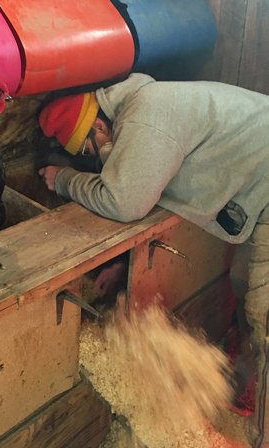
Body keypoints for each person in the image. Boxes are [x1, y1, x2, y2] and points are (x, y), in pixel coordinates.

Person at [38, 72, 269, 447]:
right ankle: (249, 383)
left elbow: (124, 201)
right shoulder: (146, 105)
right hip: (262, 193)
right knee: (245, 290)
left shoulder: (145, 114)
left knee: (266, 316)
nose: (92, 159)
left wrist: (64, 178)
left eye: (87, 150)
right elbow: (145, 181)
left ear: (99, 123)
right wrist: (122, 266)